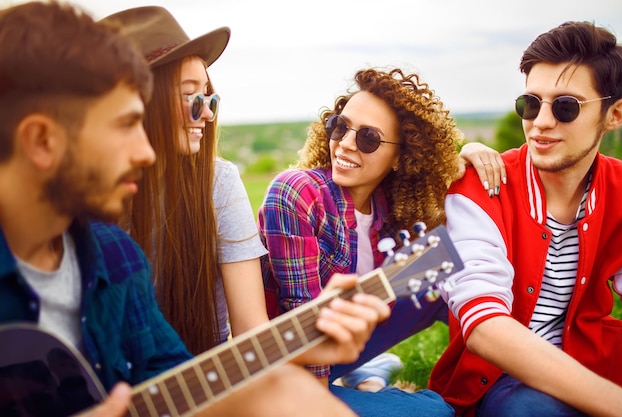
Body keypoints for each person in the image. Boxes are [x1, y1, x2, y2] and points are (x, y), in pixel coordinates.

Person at [0, 2, 391, 417]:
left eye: (210, 99)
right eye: (124, 124)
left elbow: (180, 382)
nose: (144, 150)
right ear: (41, 141)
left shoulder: (115, 257)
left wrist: (299, 340)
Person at [258, 66, 501, 415]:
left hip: (347, 339)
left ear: (403, 157)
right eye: (340, 126)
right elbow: (305, 330)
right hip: (288, 365)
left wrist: (471, 156)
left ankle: (494, 376)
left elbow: (451, 220)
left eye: (368, 138)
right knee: (434, 413)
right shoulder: (297, 193)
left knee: (450, 267)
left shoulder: (389, 205)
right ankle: (371, 379)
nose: (344, 143)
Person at [429, 21, 622, 417]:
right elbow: (485, 326)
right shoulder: (480, 187)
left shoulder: (621, 187)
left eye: (566, 106)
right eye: (530, 104)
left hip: (592, 360)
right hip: (502, 382)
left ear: (614, 114)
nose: (541, 122)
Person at [101, 6, 269, 355]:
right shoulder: (83, 202)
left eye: (209, 97)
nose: (207, 113)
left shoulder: (217, 182)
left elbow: (252, 329)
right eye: (192, 97)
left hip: (199, 384)